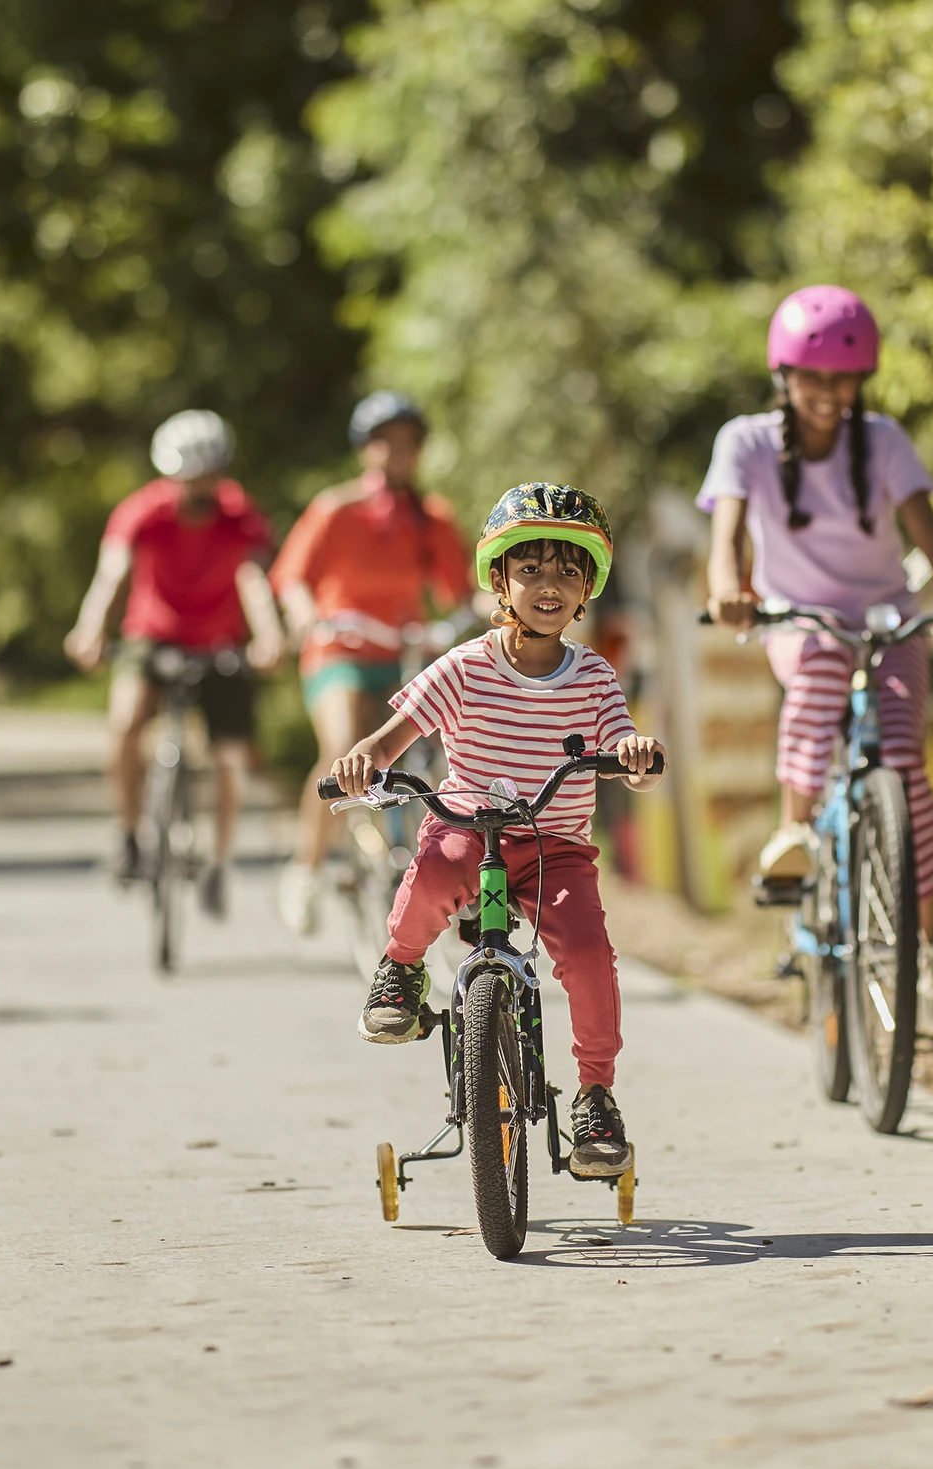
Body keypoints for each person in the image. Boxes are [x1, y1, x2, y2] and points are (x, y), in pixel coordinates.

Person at [700, 286, 933, 1036]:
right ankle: (795, 832)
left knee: (906, 767)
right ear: (783, 376)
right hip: (798, 621)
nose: (829, 395)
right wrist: (727, 594)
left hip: (888, 617)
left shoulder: (883, 441)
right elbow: (728, 541)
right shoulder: (744, 442)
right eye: (813, 379)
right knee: (816, 662)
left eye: (845, 380)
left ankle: (931, 940)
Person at [328, 483, 663, 1179]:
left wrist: (634, 757)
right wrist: (367, 758)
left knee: (592, 956)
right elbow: (398, 734)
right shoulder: (466, 666)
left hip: (555, 849)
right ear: (500, 581)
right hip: (469, 829)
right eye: (531, 568)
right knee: (433, 872)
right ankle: (400, 969)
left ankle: (596, 1095)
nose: (549, 585)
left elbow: (626, 749)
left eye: (568, 570)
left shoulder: (595, 677)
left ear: (587, 589)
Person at [268, 390, 476, 934]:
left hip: (404, 652)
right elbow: (291, 577)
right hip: (339, 651)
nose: (397, 454)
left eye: (408, 444)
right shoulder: (336, 509)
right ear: (365, 449)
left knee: (438, 758)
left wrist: (480, 613)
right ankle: (306, 871)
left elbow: (460, 593)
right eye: (386, 442)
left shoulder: (431, 518)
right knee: (341, 748)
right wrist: (304, 614)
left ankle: (439, 865)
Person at [65, 409, 285, 919]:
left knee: (231, 755)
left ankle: (218, 859)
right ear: (169, 474)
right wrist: (90, 629)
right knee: (125, 724)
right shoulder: (142, 512)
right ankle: (128, 835)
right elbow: (111, 575)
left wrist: (269, 636)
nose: (197, 488)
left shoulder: (240, 516)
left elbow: (253, 581)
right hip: (152, 635)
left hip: (219, 642)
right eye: (186, 478)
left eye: (207, 476)